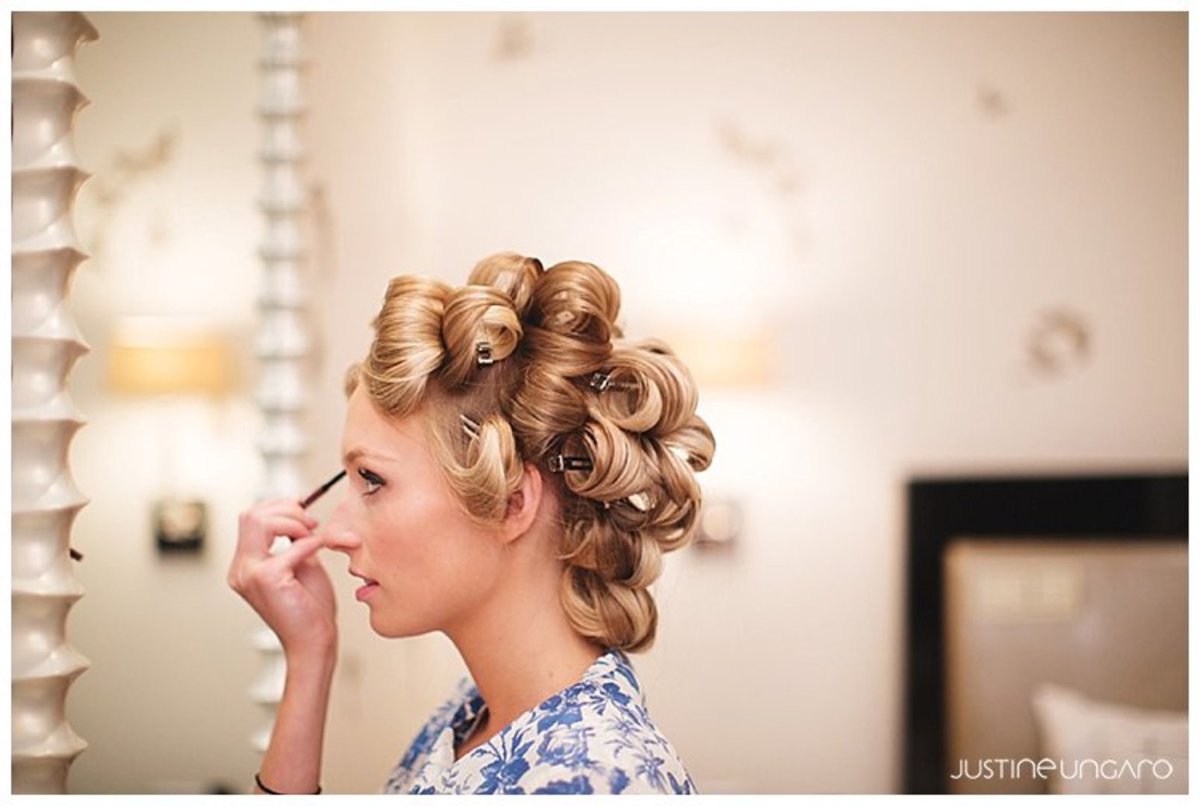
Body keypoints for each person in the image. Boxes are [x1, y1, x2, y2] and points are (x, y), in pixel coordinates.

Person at [228, 252, 715, 794]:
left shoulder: (587, 778)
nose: (335, 532)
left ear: (510, 502)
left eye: (372, 479)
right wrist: (310, 657)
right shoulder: (472, 717)